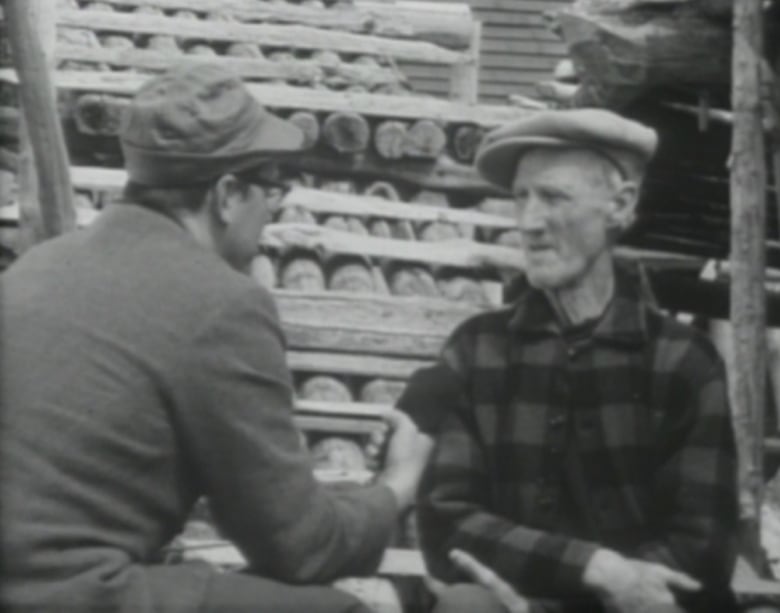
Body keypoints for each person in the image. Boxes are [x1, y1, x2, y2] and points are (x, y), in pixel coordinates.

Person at [0, 62, 431, 613]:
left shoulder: (39, 266)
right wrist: (394, 488)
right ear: (227, 195)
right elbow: (298, 549)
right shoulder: (222, 304)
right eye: (271, 192)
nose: (272, 215)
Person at [407, 109, 739, 613]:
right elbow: (448, 521)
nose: (528, 222)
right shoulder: (476, 349)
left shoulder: (683, 360)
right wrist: (592, 566)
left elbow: (702, 549)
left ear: (620, 206)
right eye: (520, 197)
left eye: (554, 197)